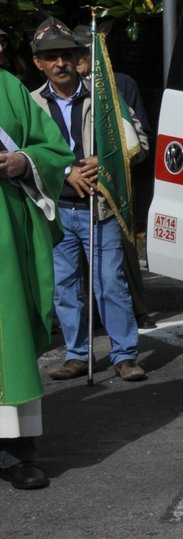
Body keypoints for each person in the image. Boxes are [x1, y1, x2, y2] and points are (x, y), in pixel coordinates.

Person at [28, 18, 148, 383]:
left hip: (101, 207)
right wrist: (67, 172)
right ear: (38, 63)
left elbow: (138, 144)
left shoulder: (106, 97)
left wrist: (108, 160)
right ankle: (77, 353)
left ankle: (124, 355)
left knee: (110, 282)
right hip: (57, 210)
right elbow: (25, 153)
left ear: (79, 56)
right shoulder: (32, 104)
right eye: (50, 57)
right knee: (64, 288)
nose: (59, 63)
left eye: (66, 54)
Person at [0, 66, 73, 489]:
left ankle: (15, 454)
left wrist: (21, 161)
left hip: (6, 235)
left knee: (9, 339)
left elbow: (54, 148)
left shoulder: (8, 88)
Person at [72, 26, 154, 328]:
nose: (79, 58)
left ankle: (138, 310)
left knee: (121, 251)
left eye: (84, 51)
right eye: (74, 52)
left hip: (113, 177)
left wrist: (109, 164)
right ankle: (90, 317)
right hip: (76, 181)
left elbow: (139, 136)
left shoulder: (119, 84)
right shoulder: (66, 88)